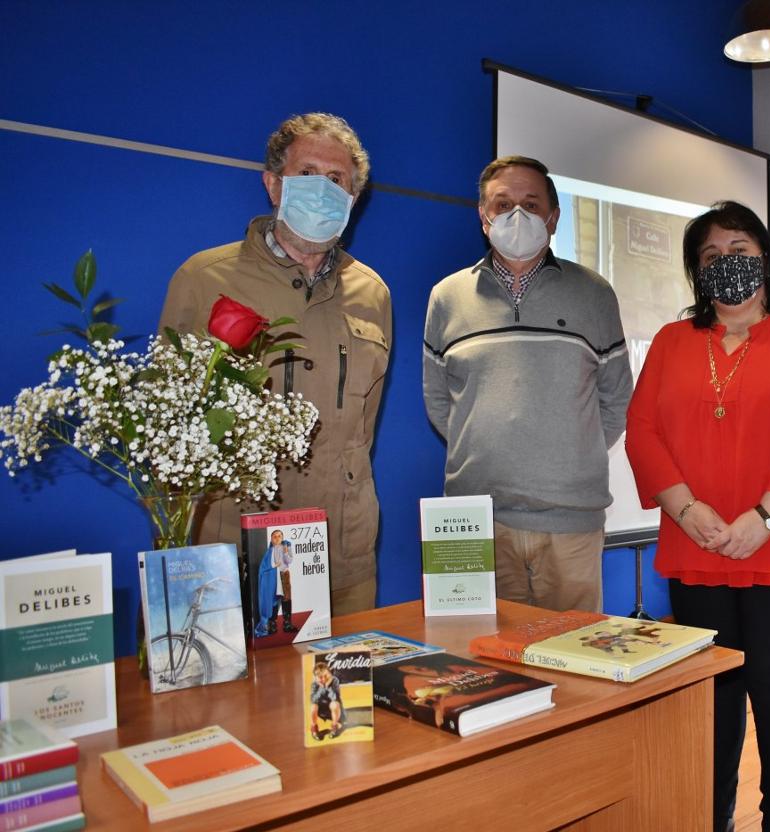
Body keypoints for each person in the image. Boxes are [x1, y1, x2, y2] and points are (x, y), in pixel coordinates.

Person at [625, 201, 770, 831]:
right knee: (713, 696)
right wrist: (685, 506)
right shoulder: (674, 342)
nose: (727, 263)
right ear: (695, 271)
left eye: (741, 249)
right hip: (696, 543)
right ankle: (711, 819)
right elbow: (642, 430)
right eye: (711, 255)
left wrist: (765, 518)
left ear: (766, 259)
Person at [160, 113, 391, 616]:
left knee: (337, 693)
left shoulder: (372, 293)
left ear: (354, 199)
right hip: (230, 552)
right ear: (273, 184)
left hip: (341, 552)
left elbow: (363, 428)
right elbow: (168, 427)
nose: (322, 190)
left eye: (337, 181)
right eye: (307, 174)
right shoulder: (204, 279)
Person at [423, 156, 633, 613]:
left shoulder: (594, 294)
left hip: (571, 522)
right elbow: (440, 400)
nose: (516, 215)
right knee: (477, 662)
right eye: (502, 204)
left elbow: (616, 397)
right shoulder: (446, 297)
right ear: (484, 217)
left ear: (553, 218)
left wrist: (571, 454)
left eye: (531, 204)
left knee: (576, 662)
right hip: (473, 521)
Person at [308, 660, 344, 740]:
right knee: (313, 706)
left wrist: (327, 686)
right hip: (322, 711)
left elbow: (335, 697)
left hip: (335, 710)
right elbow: (313, 700)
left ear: (329, 673)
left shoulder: (335, 680)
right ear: (316, 677)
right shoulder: (314, 684)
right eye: (320, 677)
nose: (324, 679)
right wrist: (322, 688)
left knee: (334, 704)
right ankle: (314, 728)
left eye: (326, 676)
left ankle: (335, 726)